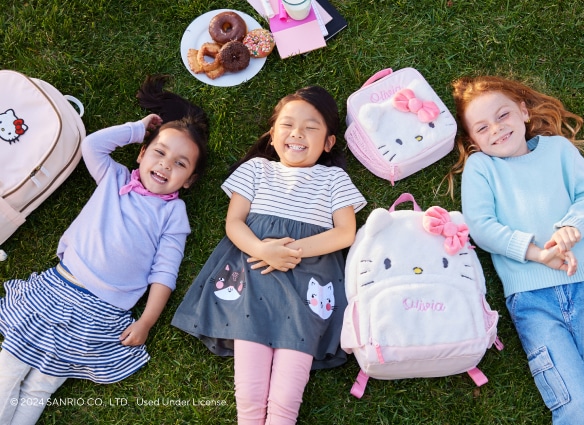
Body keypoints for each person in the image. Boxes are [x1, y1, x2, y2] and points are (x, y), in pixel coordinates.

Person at [0, 74, 209, 425]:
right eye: (159, 152)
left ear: (187, 181)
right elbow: (91, 146)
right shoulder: (114, 178)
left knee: (41, 388)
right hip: (58, 288)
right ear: (142, 154)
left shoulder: (174, 214)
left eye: (180, 164)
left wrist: (146, 320)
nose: (165, 165)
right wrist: (136, 129)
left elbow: (165, 273)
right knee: (9, 369)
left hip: (101, 315)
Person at [172, 86, 366, 424]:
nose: (298, 134)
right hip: (253, 278)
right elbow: (234, 223)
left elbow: (345, 232)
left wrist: (290, 252)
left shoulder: (334, 178)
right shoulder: (256, 170)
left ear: (329, 143)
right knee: (248, 396)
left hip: (308, 284)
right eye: (287, 125)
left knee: (286, 399)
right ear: (272, 135)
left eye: (311, 127)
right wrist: (264, 250)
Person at [448, 75, 584, 424]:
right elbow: (483, 228)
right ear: (473, 141)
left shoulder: (558, 149)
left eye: (503, 115)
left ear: (523, 111)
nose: (497, 130)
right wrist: (537, 252)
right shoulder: (481, 168)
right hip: (530, 298)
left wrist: (569, 228)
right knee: (574, 401)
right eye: (482, 128)